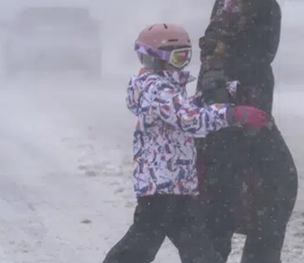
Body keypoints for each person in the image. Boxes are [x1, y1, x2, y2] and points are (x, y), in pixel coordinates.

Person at [196, 0, 304, 263]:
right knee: (274, 184)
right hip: (235, 109)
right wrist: (218, 90)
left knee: (230, 195)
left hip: (241, 106)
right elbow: (218, 37)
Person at [102, 23, 272, 263]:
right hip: (159, 186)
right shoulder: (155, 89)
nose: (181, 63)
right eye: (177, 57)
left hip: (179, 184)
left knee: (196, 246)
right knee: (140, 245)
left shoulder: (168, 88)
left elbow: (185, 109)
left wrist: (221, 92)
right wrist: (233, 114)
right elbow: (189, 120)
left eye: (186, 56)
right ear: (155, 59)